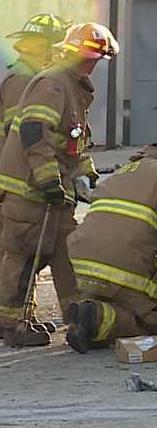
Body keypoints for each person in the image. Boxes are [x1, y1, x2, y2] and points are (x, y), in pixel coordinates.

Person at [0, 22, 118, 348]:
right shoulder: (54, 85)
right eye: (91, 58)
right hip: (28, 191)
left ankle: (78, 321)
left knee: (66, 255)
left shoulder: (73, 88)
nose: (94, 65)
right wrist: (48, 178)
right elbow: (35, 133)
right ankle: (14, 326)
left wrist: (88, 177)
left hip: (53, 195)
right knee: (22, 259)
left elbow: (73, 144)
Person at [0, 14, 71, 340]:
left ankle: (8, 318)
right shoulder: (24, 81)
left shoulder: (24, 76)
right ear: (46, 47)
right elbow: (25, 135)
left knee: (12, 255)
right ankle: (11, 322)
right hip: (15, 184)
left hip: (5, 184)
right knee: (19, 255)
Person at [65, 146, 157, 353]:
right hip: (122, 269)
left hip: (84, 263)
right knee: (150, 320)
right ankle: (96, 318)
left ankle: (92, 316)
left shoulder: (126, 169)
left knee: (118, 299)